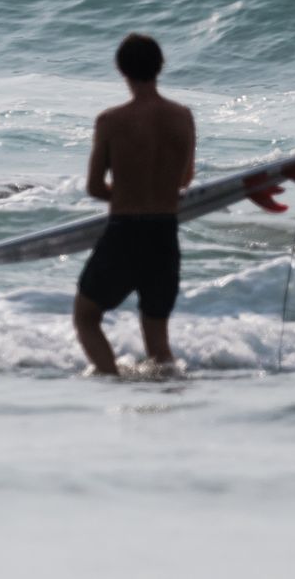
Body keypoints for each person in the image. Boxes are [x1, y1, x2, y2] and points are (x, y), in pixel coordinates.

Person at [74, 32, 195, 376]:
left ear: (120, 69)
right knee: (157, 337)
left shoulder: (110, 121)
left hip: (125, 233)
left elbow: (95, 187)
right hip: (164, 234)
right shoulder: (183, 117)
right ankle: (169, 399)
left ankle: (110, 378)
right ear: (160, 67)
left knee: (86, 316)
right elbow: (184, 180)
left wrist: (128, 193)